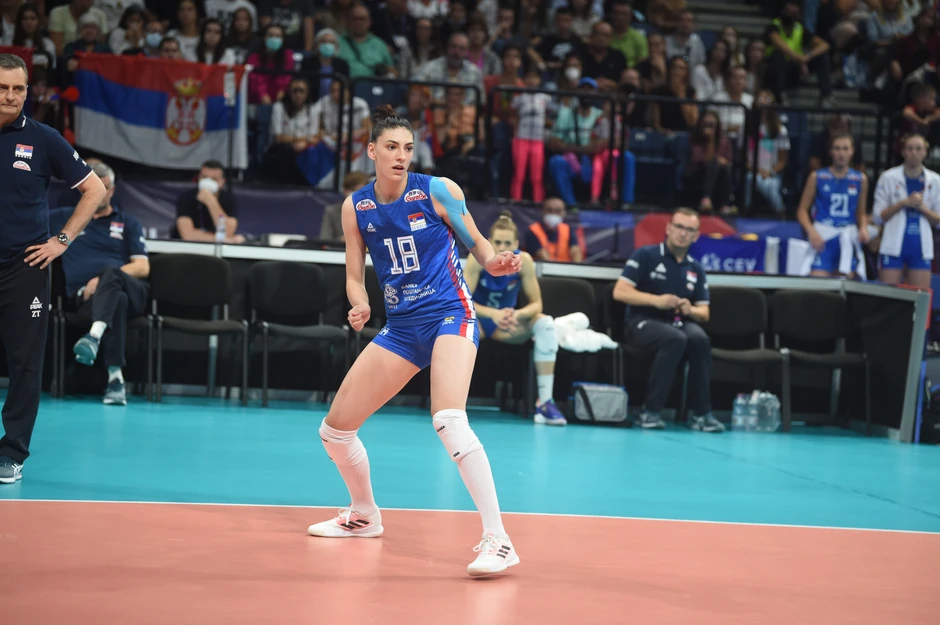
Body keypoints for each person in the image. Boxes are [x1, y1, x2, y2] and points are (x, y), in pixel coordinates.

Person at [305, 104, 523, 578]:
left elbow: (477, 242)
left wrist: (494, 263)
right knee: (334, 431)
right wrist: (360, 303)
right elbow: (354, 274)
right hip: (402, 328)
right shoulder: (356, 206)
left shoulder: (438, 190)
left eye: (407, 147)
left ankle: (499, 539)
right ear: (372, 152)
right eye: (391, 147)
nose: (401, 156)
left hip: (450, 314)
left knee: (448, 418)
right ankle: (364, 515)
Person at [0, 53, 106, 484]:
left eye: (18, 89)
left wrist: (61, 241)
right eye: (2, 88)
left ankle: (12, 453)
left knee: (25, 363)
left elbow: (95, 190)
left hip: (24, 266)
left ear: (28, 91)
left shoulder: (44, 139)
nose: (10, 96)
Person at [612, 208, 722, 433]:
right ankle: (649, 411)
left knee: (699, 339)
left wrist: (690, 309)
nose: (683, 233)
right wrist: (657, 301)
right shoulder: (646, 255)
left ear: (696, 236)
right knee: (675, 339)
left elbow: (704, 312)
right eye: (679, 227)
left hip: (678, 321)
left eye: (689, 229)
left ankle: (701, 414)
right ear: (668, 228)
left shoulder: (695, 268)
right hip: (641, 321)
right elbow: (620, 292)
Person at [50, 162, 150, 406]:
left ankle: (93, 337)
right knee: (117, 302)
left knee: (112, 276)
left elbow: (142, 267)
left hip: (131, 291)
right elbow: (26, 223)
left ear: (112, 190)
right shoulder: (65, 218)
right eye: (94, 188)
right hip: (85, 299)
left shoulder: (127, 223)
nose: (100, 194)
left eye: (104, 188)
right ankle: (115, 379)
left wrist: (104, 279)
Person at [464, 211, 566, 425]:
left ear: (517, 244)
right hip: (478, 322)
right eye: (497, 242)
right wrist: (493, 314)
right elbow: (462, 301)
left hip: (507, 325)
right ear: (489, 241)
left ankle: (545, 403)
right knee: (455, 330)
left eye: (508, 243)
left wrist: (516, 314)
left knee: (546, 324)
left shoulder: (524, 261)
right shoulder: (476, 259)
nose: (502, 247)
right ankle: (452, 405)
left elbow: (537, 304)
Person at [796, 134, 869, 278]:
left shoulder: (860, 179)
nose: (841, 153)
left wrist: (863, 228)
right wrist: (811, 231)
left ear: (852, 151)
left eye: (845, 149)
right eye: (837, 148)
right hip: (823, 237)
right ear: (831, 151)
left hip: (847, 237)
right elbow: (802, 210)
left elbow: (861, 213)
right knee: (818, 285)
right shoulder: (817, 177)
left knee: (846, 285)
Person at [874, 133, 940, 289]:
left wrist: (922, 208)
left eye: (918, 149)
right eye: (910, 149)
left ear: (925, 152)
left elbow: (938, 221)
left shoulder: (935, 180)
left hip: (920, 247)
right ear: (903, 152)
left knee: (920, 297)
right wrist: (903, 203)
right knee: (887, 297)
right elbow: (878, 217)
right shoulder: (888, 177)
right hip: (892, 245)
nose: (914, 153)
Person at [173, 160, 245, 243]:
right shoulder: (186, 197)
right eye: (204, 178)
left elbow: (228, 231)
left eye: (214, 179)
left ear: (222, 182)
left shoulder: (228, 199)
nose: (208, 182)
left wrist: (211, 202)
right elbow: (187, 235)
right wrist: (219, 239)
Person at [524, 197, 586, 262]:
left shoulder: (568, 229)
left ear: (564, 213)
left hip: (566, 267)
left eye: (557, 211)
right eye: (549, 210)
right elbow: (541, 255)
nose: (553, 213)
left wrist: (576, 265)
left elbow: (575, 251)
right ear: (542, 211)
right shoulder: (533, 230)